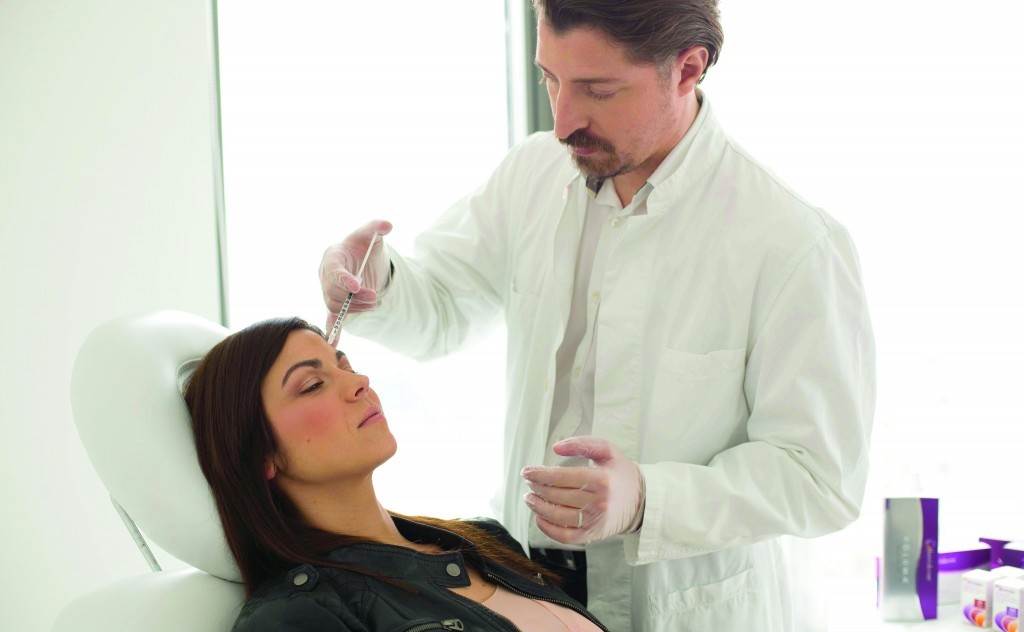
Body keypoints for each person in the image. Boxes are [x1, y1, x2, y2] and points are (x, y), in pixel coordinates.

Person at [319, 1, 876, 631]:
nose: (563, 121)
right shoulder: (532, 174)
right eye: (549, 79)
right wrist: (377, 282)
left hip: (684, 608)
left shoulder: (792, 241)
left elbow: (819, 477)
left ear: (688, 69)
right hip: (526, 584)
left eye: (598, 90)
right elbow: (443, 307)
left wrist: (647, 500)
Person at [184, 317, 611, 631]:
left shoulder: (485, 540)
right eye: (312, 384)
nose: (359, 382)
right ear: (262, 456)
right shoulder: (296, 616)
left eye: (345, 365)